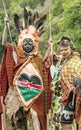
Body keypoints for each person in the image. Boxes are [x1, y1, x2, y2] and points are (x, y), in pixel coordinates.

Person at [0, 9, 49, 130]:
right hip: (16, 92)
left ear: (34, 44)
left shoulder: (37, 58)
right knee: (13, 119)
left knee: (35, 118)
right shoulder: (15, 52)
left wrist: (50, 47)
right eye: (25, 42)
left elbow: (43, 68)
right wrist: (6, 27)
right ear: (21, 42)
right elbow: (4, 43)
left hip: (33, 95)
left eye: (30, 42)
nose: (27, 44)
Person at [50, 35, 81, 130]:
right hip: (61, 97)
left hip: (73, 96)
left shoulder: (76, 61)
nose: (63, 52)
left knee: (66, 121)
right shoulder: (61, 60)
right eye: (61, 50)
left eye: (66, 49)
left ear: (71, 48)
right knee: (62, 122)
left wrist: (77, 83)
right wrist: (49, 45)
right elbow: (50, 57)